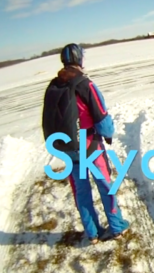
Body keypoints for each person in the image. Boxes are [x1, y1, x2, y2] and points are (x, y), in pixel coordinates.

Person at [41, 43, 130, 244]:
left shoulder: (54, 85)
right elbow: (102, 117)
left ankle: (92, 232)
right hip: (90, 147)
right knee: (106, 185)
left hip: (69, 149)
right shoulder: (85, 84)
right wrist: (108, 134)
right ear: (79, 59)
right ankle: (116, 226)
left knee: (81, 191)